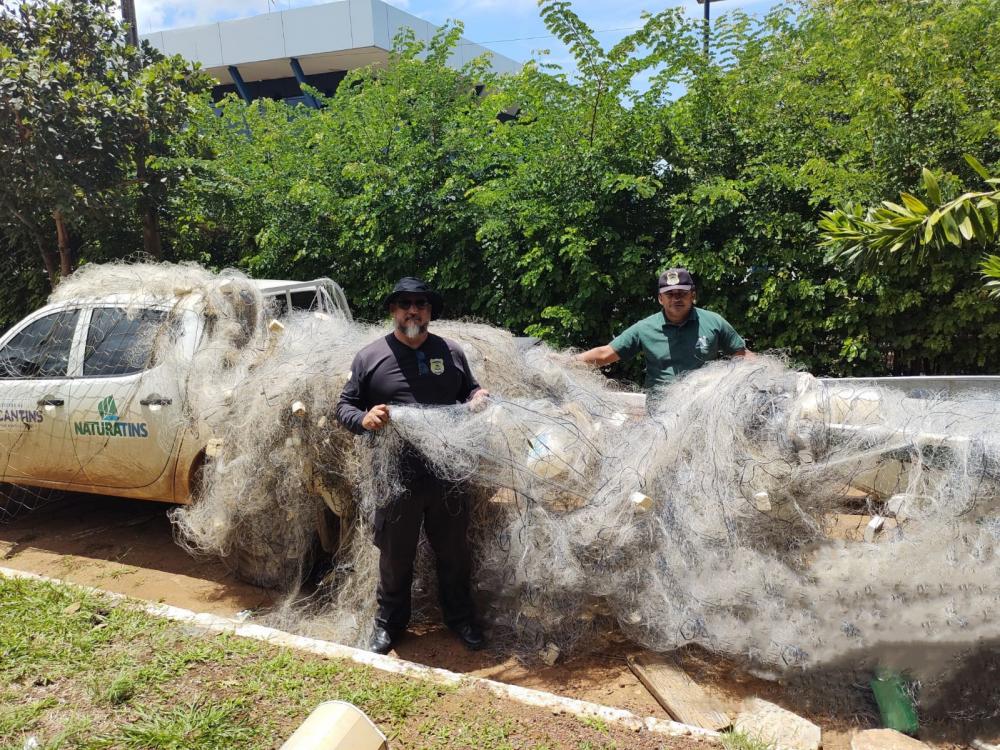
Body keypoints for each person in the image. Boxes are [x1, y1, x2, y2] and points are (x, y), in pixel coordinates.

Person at [336, 276, 489, 655]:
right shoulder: (370, 357)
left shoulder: (450, 353)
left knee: (454, 553)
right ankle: (389, 625)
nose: (413, 311)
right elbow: (344, 406)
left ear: (429, 311)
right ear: (393, 310)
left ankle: (460, 619)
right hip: (395, 477)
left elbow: (468, 390)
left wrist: (477, 395)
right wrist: (364, 418)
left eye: (421, 304)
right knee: (395, 556)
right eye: (405, 304)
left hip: (447, 473)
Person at [577, 268, 749, 390]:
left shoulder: (713, 322)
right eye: (670, 294)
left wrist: (763, 372)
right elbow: (605, 354)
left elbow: (742, 355)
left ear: (693, 295)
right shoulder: (645, 328)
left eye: (682, 293)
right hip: (660, 415)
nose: (676, 298)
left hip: (702, 409)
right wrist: (567, 363)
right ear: (660, 298)